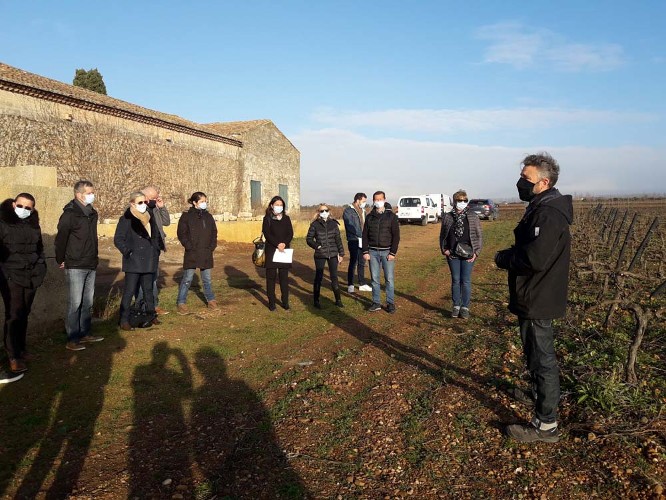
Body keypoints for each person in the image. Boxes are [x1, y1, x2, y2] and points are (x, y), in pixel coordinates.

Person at [495, 152, 573, 443]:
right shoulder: (541, 206)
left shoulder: (548, 213)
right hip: (535, 292)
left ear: (543, 182)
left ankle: (546, 425)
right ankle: (539, 394)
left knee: (542, 358)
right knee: (534, 353)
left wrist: (503, 258)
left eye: (526, 179)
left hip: (539, 294)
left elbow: (534, 258)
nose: (520, 183)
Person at [0, 194, 47, 381]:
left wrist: (41, 267)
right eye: (21, 206)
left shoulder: (33, 224)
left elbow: (40, 249)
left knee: (24, 313)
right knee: (13, 315)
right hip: (11, 276)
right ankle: (13, 355)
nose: (24, 210)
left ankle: (22, 348)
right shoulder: (2, 222)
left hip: (32, 275)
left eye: (29, 208)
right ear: (14, 204)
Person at [55, 180, 104, 351]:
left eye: (92, 192)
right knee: (75, 303)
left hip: (90, 263)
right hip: (75, 264)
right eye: (89, 192)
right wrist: (60, 259)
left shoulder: (92, 213)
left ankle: (85, 333)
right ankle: (72, 338)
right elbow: (61, 239)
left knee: (87, 302)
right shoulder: (70, 214)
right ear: (78, 194)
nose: (92, 195)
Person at [114, 191, 164, 330]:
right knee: (129, 292)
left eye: (145, 202)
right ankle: (124, 320)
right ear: (132, 203)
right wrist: (128, 252)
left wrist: (156, 250)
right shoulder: (126, 219)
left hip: (149, 259)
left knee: (148, 291)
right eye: (140, 202)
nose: (143, 205)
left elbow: (155, 236)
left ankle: (151, 315)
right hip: (133, 261)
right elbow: (118, 239)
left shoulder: (150, 216)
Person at [439, 189, 483, 319]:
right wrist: (444, 249)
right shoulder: (447, 216)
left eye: (464, 200)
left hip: (468, 254)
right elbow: (442, 235)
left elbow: (479, 236)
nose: (462, 202)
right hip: (452, 254)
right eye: (459, 200)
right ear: (454, 201)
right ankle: (456, 306)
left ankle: (465, 307)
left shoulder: (473, 216)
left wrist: (476, 252)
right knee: (456, 280)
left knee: (466, 281)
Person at [176, 192, 218, 314]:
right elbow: (181, 234)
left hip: (206, 252)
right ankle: (181, 302)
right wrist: (189, 246)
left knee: (207, 279)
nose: (204, 203)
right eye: (201, 201)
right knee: (187, 278)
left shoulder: (208, 216)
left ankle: (211, 300)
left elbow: (214, 232)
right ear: (194, 203)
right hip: (192, 252)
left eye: (205, 201)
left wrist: (211, 247)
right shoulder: (186, 216)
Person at [362, 191, 400, 313]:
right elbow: (365, 235)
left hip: (387, 252)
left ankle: (390, 303)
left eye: (380, 199)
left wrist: (393, 253)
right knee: (375, 279)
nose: (378, 202)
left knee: (389, 279)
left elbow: (396, 236)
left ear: (384, 199)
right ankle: (376, 302)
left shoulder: (392, 217)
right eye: (376, 200)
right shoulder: (369, 217)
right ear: (373, 201)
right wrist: (365, 251)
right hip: (372, 252)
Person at [135, 185, 170, 315]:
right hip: (142, 251)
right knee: (143, 279)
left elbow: (166, 222)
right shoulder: (137, 210)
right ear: (145, 197)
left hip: (155, 248)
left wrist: (162, 208)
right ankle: (140, 306)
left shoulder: (155, 208)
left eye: (156, 197)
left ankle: (152, 306)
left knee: (153, 278)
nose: (156, 199)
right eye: (154, 197)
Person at [306, 203, 345, 309]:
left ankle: (338, 300)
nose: (324, 213)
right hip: (320, 254)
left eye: (326, 210)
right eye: (322, 211)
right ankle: (316, 300)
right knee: (318, 277)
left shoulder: (334, 224)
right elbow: (309, 239)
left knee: (334, 277)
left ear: (329, 211)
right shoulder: (314, 225)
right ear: (318, 212)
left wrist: (341, 253)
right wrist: (316, 246)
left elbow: (338, 240)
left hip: (333, 254)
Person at [262, 196, 293, 311]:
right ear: (271, 205)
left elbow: (290, 233)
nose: (279, 207)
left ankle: (285, 302)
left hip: (284, 251)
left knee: (284, 278)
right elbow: (267, 234)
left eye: (281, 205)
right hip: (272, 251)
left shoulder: (286, 218)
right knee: (271, 278)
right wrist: (277, 244)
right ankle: (272, 303)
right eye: (277, 204)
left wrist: (284, 243)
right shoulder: (267, 219)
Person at [342, 193, 372, 294]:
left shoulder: (363, 211)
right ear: (357, 200)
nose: (364, 203)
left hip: (363, 240)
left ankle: (362, 283)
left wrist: (366, 236)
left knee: (362, 262)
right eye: (363, 201)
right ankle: (350, 284)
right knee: (353, 262)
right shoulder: (348, 211)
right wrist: (361, 235)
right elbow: (350, 226)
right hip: (354, 240)